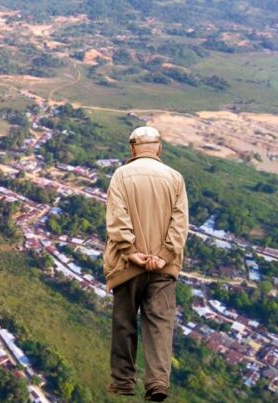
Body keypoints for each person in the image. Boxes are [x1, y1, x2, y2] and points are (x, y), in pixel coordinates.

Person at [103, 126, 189, 402]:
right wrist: (164, 255)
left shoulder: (121, 175)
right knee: (160, 325)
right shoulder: (175, 178)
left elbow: (117, 218)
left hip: (129, 265)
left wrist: (130, 251)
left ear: (132, 148)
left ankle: (123, 382)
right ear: (159, 148)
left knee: (124, 322)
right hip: (163, 267)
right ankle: (158, 383)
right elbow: (180, 224)